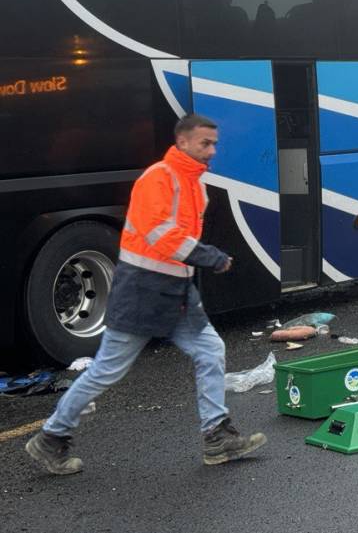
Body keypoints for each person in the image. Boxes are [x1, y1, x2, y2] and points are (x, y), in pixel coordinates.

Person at [26, 115, 267, 476]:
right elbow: (161, 234)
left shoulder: (195, 186)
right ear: (183, 142)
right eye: (205, 143)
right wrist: (209, 256)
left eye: (215, 143)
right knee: (107, 370)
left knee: (211, 351)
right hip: (142, 291)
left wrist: (197, 266)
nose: (212, 150)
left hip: (177, 292)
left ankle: (217, 437)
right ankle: (51, 437)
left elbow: (177, 242)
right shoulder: (159, 178)